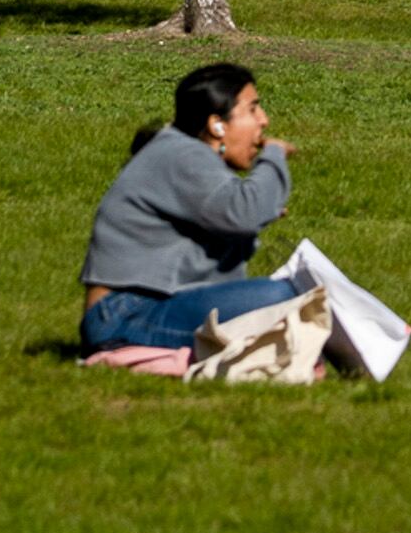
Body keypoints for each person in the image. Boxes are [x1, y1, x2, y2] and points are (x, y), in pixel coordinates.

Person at [76, 61, 307, 357]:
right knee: (287, 296)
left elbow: (234, 225)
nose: (264, 120)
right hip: (125, 316)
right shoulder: (181, 154)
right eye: (252, 109)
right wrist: (273, 154)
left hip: (135, 311)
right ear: (217, 124)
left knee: (296, 297)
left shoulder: (182, 154)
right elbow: (246, 212)